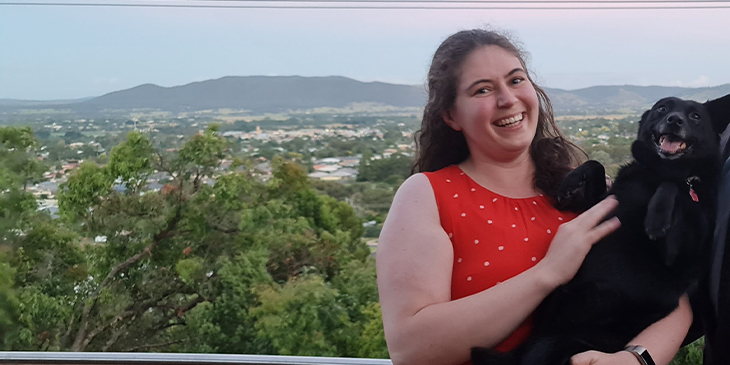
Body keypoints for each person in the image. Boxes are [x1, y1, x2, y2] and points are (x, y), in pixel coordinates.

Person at [376, 28, 694, 365]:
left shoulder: (587, 193)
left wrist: (635, 359)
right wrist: (548, 272)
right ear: (451, 115)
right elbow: (411, 349)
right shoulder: (428, 196)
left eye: (516, 80)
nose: (507, 99)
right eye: (482, 90)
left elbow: (675, 297)